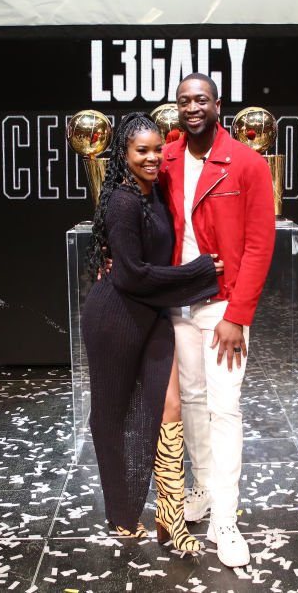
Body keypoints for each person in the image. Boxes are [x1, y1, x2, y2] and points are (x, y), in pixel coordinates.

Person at [81, 112, 223, 551]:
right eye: (141, 150)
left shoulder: (156, 191)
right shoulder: (124, 201)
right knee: (110, 415)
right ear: (124, 153)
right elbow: (133, 276)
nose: (152, 157)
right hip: (117, 317)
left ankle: (170, 520)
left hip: (154, 314)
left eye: (157, 149)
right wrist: (200, 272)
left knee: (171, 408)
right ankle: (123, 514)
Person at [161, 73, 275, 568]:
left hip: (222, 306)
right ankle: (205, 490)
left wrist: (237, 314)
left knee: (224, 408)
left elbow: (259, 244)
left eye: (200, 99)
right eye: (184, 100)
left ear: (218, 105)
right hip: (177, 305)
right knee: (191, 402)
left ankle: (225, 518)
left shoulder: (246, 163)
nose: (192, 107)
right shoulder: (165, 158)